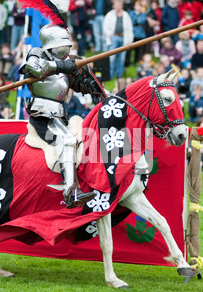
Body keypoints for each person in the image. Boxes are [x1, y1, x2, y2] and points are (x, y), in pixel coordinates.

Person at [18, 24, 103, 208]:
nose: (65, 51)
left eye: (67, 47)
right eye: (61, 47)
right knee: (68, 140)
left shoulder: (65, 65)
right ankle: (71, 192)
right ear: (51, 45)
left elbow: (79, 85)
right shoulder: (37, 54)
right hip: (42, 116)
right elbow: (36, 69)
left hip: (60, 116)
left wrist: (91, 83)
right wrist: (65, 65)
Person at [103, 0, 134, 79]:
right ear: (114, 6)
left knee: (122, 58)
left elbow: (130, 28)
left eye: (120, 5)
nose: (118, 7)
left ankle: (119, 75)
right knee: (112, 58)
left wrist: (129, 39)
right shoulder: (110, 15)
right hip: (114, 37)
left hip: (123, 38)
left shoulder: (125, 15)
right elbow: (105, 27)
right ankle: (110, 75)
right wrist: (110, 35)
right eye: (117, 5)